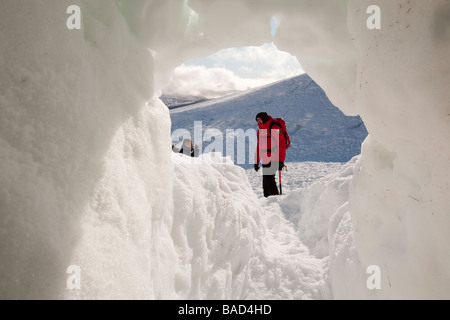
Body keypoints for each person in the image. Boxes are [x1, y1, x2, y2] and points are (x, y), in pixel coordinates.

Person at [254, 112, 286, 197]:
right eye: (257, 120)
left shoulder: (274, 128)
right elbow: (259, 146)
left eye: (259, 119)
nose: (258, 122)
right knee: (265, 180)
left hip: (275, 156)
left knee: (269, 179)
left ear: (264, 118)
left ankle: (274, 200)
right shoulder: (260, 131)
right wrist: (256, 161)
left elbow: (282, 145)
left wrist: (281, 160)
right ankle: (267, 200)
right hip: (265, 157)